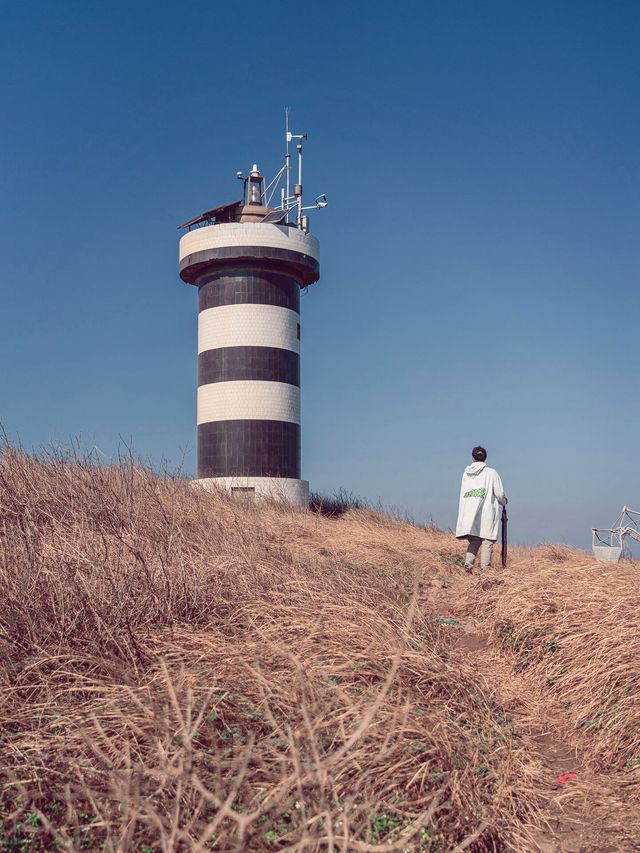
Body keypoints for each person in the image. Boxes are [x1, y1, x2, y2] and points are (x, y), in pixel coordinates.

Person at [455, 446, 507, 572]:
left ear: (473, 458)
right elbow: (499, 494)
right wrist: (504, 502)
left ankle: (468, 565)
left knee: (474, 540)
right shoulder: (491, 473)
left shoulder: (466, 474)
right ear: (485, 458)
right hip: (487, 511)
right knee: (487, 539)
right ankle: (485, 569)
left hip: (470, 512)